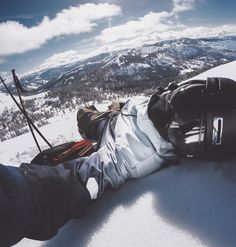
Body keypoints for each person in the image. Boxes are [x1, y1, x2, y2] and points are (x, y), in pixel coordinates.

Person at [1, 77, 236, 246]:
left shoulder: (129, 156)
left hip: (107, 129)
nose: (167, 94)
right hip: (124, 112)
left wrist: (27, 193)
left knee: (84, 114)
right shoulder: (160, 109)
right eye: (174, 92)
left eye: (175, 101)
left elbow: (79, 180)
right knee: (101, 110)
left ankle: (93, 119)